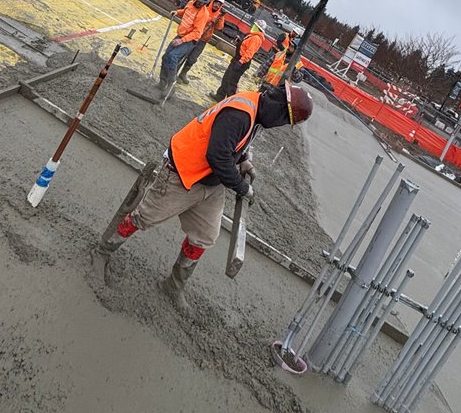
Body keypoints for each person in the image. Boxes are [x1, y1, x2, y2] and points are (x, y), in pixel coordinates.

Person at [94, 82, 314, 309]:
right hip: (182, 173)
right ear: (279, 110)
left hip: (211, 182)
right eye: (284, 121)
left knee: (205, 236)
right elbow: (217, 156)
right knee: (144, 218)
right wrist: (242, 187)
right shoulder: (240, 113)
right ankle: (102, 251)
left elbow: (236, 142)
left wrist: (243, 160)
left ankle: (174, 285)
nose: (280, 125)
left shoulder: (257, 109)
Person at [158, 0, 212, 95]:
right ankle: (162, 82)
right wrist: (177, 12)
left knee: (173, 56)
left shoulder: (203, 14)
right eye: (199, 1)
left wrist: (182, 41)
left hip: (189, 40)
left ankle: (171, 84)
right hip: (181, 35)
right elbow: (186, 12)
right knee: (166, 56)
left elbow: (197, 33)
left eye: (202, 3)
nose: (200, 4)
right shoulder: (191, 3)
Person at [178, 0, 226, 83]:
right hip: (194, 36)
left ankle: (183, 73)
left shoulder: (219, 15)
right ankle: (175, 71)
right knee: (183, 54)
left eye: (219, 4)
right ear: (212, 2)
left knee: (192, 58)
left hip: (203, 40)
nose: (217, 5)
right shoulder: (204, 9)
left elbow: (219, 27)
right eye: (216, 3)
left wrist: (220, 18)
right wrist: (210, 20)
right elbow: (201, 19)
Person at [215, 20, 266, 100]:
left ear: (258, 28)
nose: (253, 27)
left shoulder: (256, 38)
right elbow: (245, 47)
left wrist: (241, 62)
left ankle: (231, 103)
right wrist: (239, 42)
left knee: (231, 83)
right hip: (238, 59)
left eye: (255, 26)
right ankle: (219, 96)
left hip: (241, 62)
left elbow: (249, 53)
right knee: (226, 78)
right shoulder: (252, 36)